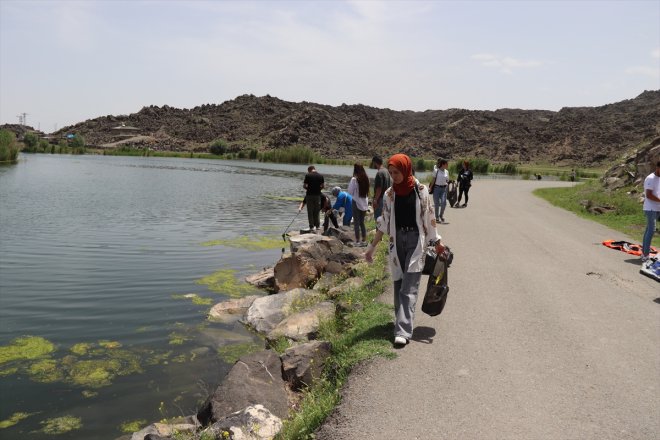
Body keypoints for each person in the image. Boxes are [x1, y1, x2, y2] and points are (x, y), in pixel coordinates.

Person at [365, 154, 444, 347]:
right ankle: (401, 321)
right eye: (391, 173)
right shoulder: (389, 194)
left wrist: (437, 241)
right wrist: (371, 248)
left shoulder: (421, 190)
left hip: (416, 242)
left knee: (409, 286)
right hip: (396, 240)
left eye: (397, 172)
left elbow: (429, 218)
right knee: (398, 283)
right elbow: (384, 223)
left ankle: (403, 330)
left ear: (406, 169)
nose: (394, 176)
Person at [641, 160, 660, 262]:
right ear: (657, 167)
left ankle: (644, 253)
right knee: (651, 230)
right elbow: (649, 195)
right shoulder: (650, 178)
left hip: (657, 208)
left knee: (648, 230)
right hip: (650, 208)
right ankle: (645, 255)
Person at [348, 164, 370, 246]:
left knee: (356, 222)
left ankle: (357, 241)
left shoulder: (354, 179)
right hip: (364, 203)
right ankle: (364, 240)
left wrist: (354, 193)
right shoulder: (366, 178)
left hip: (356, 202)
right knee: (362, 222)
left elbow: (350, 192)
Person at [303, 165, 324, 231]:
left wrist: (308, 189)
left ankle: (311, 227)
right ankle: (317, 226)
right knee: (317, 211)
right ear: (314, 169)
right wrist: (318, 189)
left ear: (309, 169)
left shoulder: (308, 175)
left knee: (310, 211)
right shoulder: (320, 176)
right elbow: (323, 186)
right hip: (317, 195)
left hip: (309, 195)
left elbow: (304, 185)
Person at [372, 155, 391, 221]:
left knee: (378, 220)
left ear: (375, 162)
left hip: (380, 200)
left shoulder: (379, 173)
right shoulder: (387, 171)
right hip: (387, 199)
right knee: (384, 220)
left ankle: (378, 231)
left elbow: (379, 188)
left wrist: (375, 200)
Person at [431, 158, 450, 223]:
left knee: (443, 203)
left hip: (444, 189)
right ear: (443, 164)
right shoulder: (436, 171)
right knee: (436, 204)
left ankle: (441, 215)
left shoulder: (447, 172)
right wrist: (430, 188)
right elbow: (433, 180)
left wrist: (449, 183)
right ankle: (437, 217)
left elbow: (447, 180)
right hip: (436, 188)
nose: (447, 165)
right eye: (446, 164)